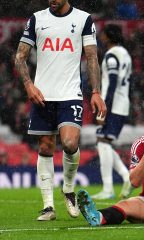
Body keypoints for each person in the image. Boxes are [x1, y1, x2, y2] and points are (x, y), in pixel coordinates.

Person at [14, 0, 107, 221]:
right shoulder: (37, 19)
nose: (51, 0)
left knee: (69, 143)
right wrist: (29, 85)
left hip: (70, 94)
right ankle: (48, 207)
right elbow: (19, 56)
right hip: (43, 95)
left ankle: (68, 189)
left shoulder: (83, 19)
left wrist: (95, 91)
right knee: (46, 147)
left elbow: (92, 57)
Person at [92, 24, 133, 200]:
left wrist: (103, 109)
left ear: (109, 37)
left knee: (103, 141)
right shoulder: (125, 54)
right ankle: (126, 177)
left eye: (102, 35)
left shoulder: (111, 56)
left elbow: (113, 83)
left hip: (114, 104)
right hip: (122, 103)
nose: (100, 37)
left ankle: (108, 188)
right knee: (103, 142)